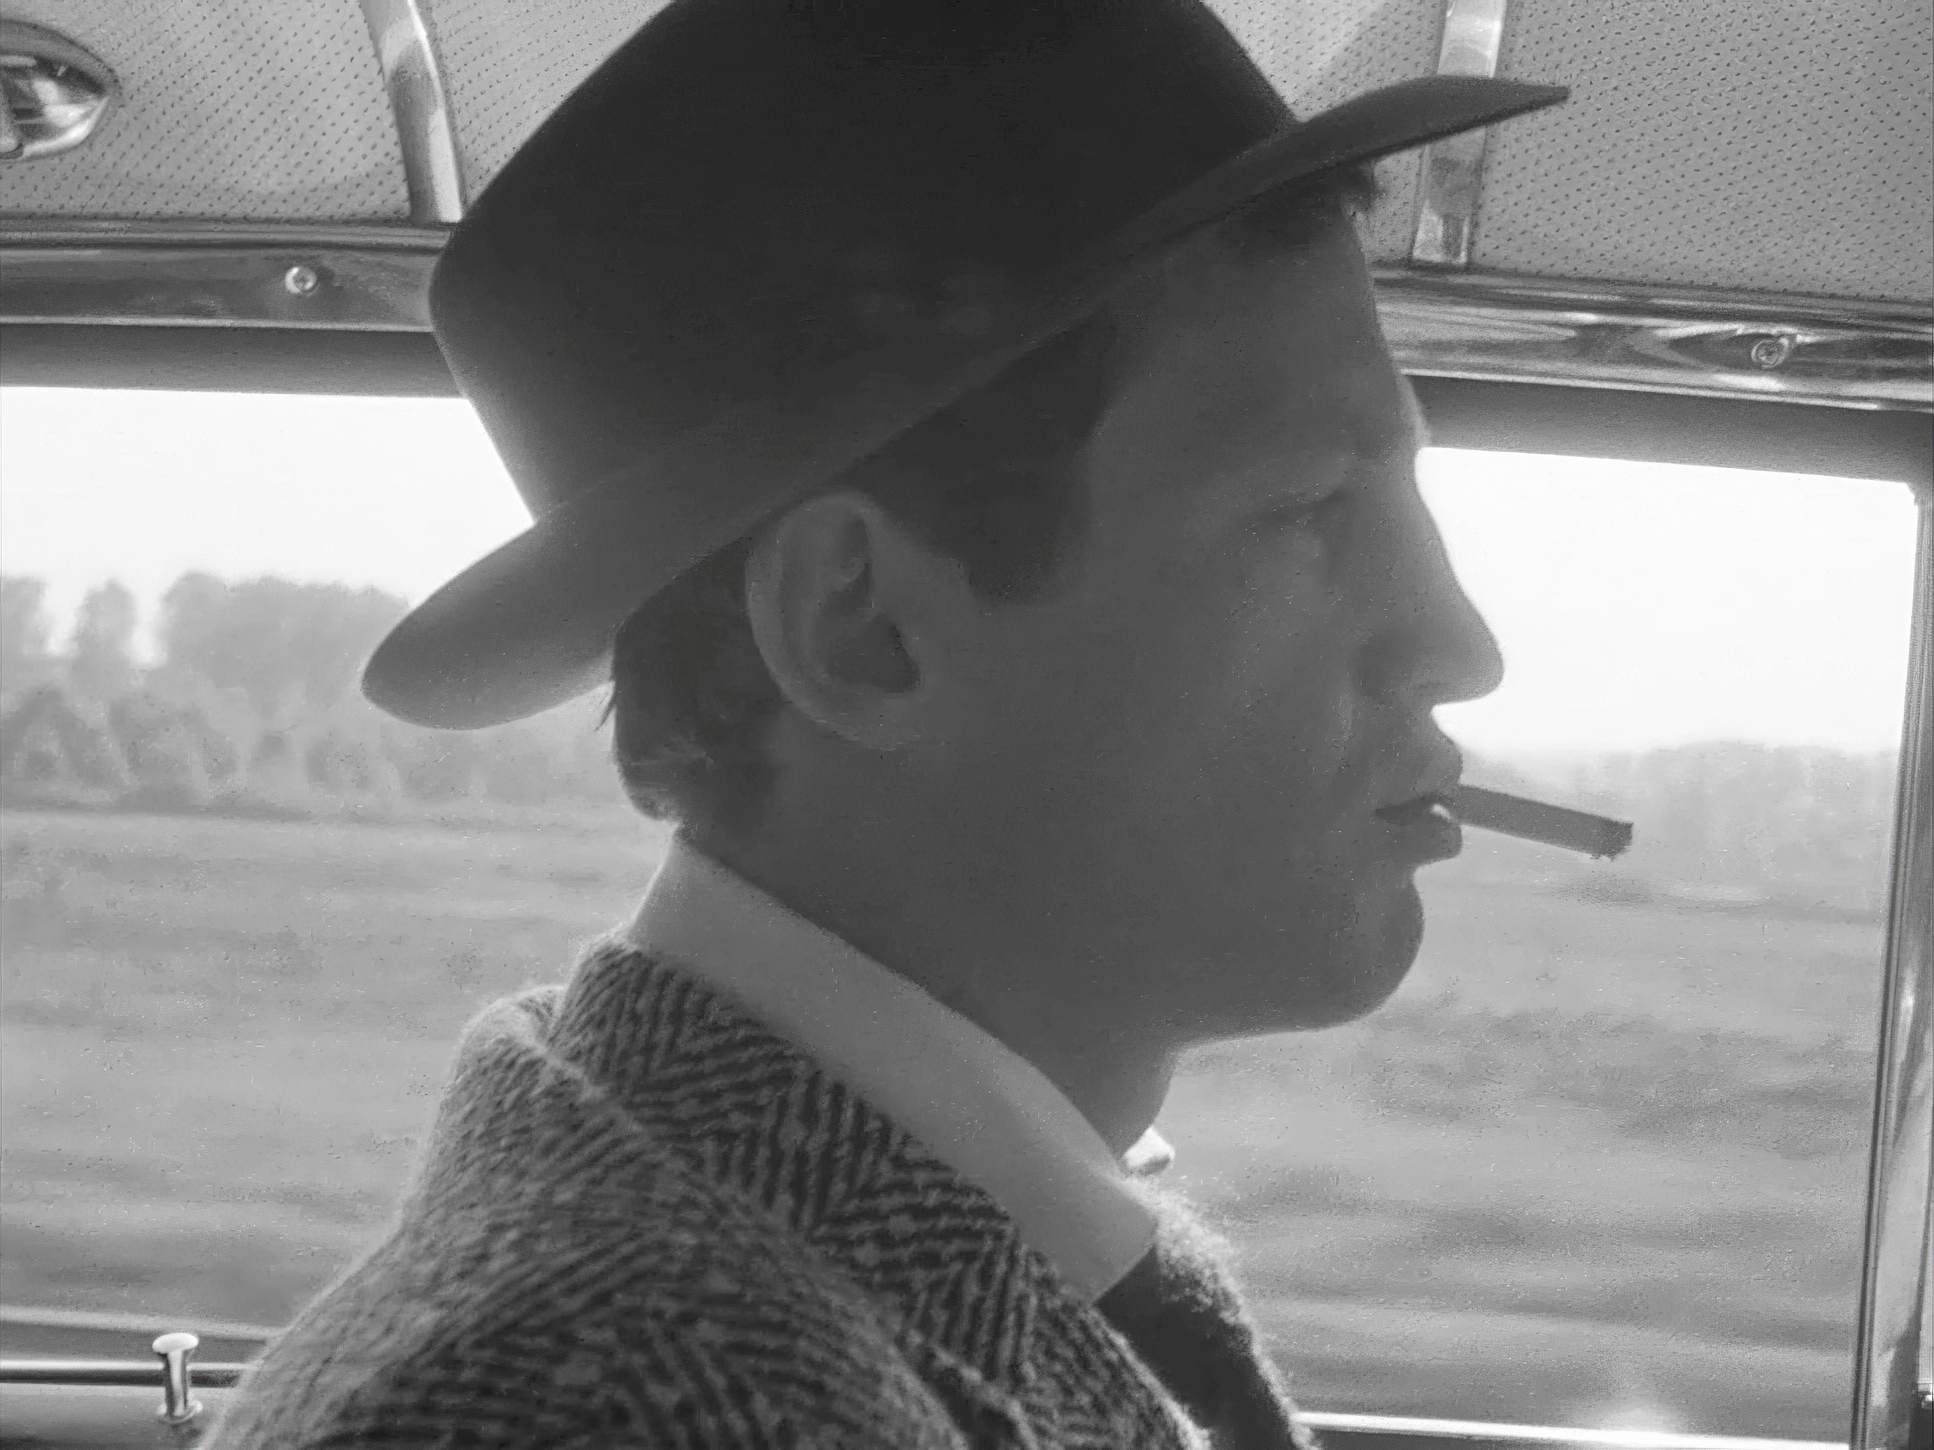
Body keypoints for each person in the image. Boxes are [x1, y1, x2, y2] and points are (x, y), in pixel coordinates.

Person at [208, 3, 1563, 1446]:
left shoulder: (840, 1269)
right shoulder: (619, 1404)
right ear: (864, 627)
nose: (1459, 645)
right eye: (1310, 506)